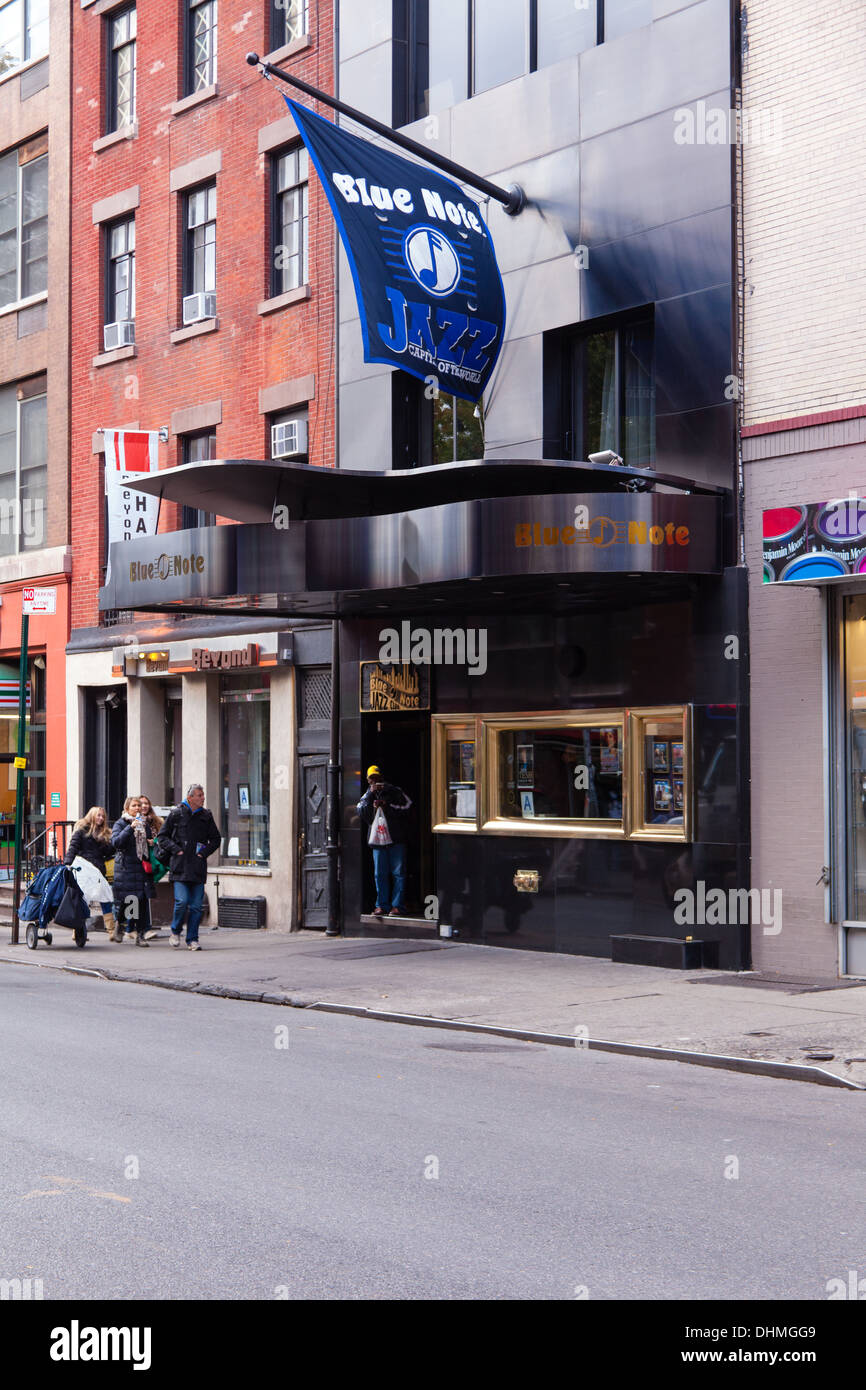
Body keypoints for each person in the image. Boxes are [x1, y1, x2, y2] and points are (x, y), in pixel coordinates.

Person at [156, 784, 221, 950]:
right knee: (182, 901)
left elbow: (215, 839)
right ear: (190, 797)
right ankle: (175, 931)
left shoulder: (206, 816)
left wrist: (203, 853)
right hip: (179, 866)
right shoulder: (176, 814)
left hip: (198, 866)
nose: (202, 798)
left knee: (196, 906)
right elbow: (162, 837)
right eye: (199, 795)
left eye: (203, 795)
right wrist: (176, 850)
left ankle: (192, 939)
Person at [356, 765, 413, 918]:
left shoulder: (395, 791)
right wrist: (370, 795)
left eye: (377, 778)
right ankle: (381, 905)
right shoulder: (368, 795)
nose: (374, 781)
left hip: (396, 838)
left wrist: (387, 805)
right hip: (378, 840)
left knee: (398, 873)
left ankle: (397, 906)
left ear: (382, 778)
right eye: (371, 779)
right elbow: (361, 811)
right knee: (379, 874)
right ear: (368, 781)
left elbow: (408, 807)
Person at [63, 806, 117, 940]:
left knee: (105, 898)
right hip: (84, 870)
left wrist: (111, 843)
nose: (101, 818)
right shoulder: (81, 831)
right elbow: (73, 847)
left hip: (98, 870)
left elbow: (108, 853)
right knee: (83, 900)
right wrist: (67, 863)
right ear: (92, 815)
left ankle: (111, 932)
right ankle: (77, 931)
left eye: (103, 816)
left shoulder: (104, 833)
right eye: (98, 815)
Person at [110, 796, 156, 946]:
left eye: (139, 805)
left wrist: (151, 843)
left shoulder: (144, 824)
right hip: (126, 868)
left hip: (141, 866)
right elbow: (116, 843)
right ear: (127, 809)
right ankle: (121, 924)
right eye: (134, 805)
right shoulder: (121, 823)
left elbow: (148, 842)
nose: (138, 808)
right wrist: (130, 828)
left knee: (141, 901)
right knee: (129, 900)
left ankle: (140, 935)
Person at [137, 795, 164, 940]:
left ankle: (144, 928)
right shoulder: (132, 822)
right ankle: (128, 927)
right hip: (135, 864)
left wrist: (155, 841)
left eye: (146, 803)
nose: (144, 806)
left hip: (150, 863)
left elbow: (164, 837)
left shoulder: (157, 821)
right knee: (133, 897)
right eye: (140, 804)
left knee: (144, 895)